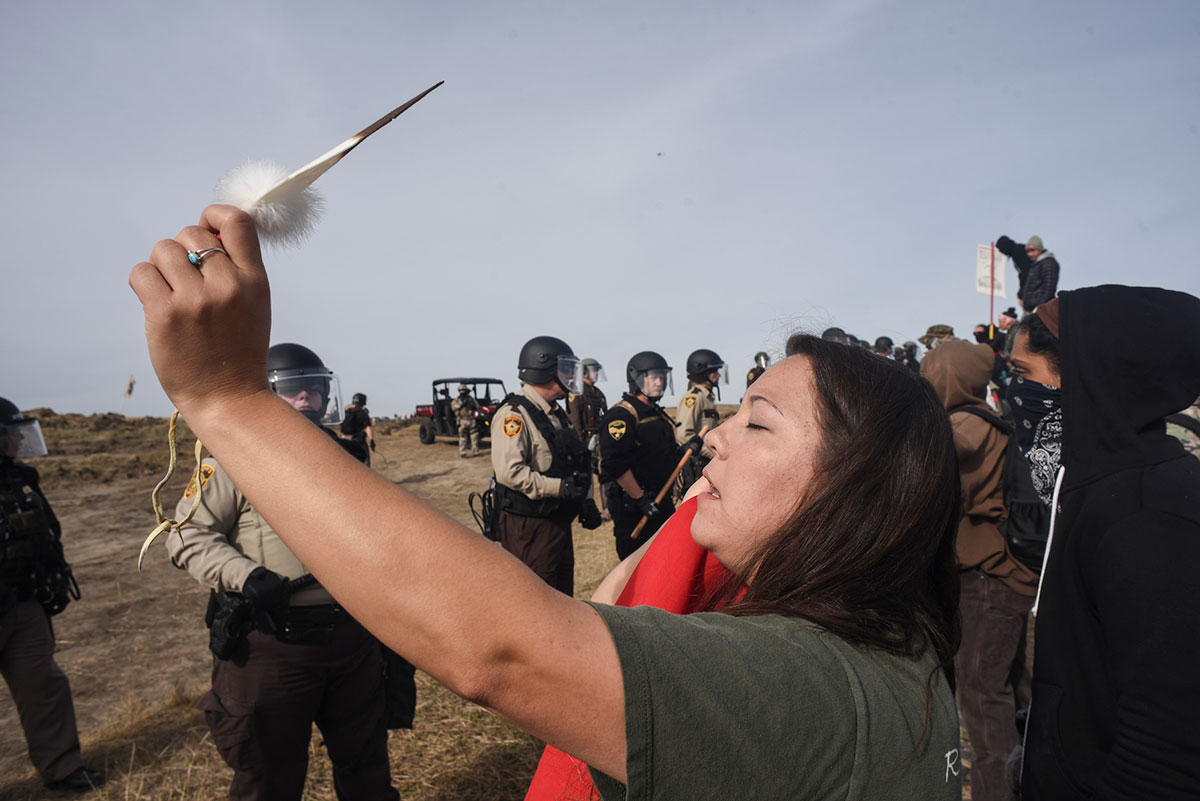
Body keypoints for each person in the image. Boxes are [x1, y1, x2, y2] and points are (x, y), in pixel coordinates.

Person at [130, 205, 963, 800]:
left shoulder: (808, 685)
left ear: (850, 486)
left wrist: (225, 397)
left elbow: (504, 646)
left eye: (760, 424)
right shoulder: (873, 654)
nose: (712, 438)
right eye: (733, 412)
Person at [164, 343, 401, 801]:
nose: (307, 400)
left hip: (352, 639)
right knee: (269, 777)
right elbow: (186, 536)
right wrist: (245, 576)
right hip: (273, 645)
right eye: (296, 391)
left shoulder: (348, 458)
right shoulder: (232, 462)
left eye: (314, 391)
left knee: (367, 766)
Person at [1007, 288, 1200, 799]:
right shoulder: (1097, 489)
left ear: (1090, 378)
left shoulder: (1148, 515)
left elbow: (1167, 752)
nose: (1014, 393)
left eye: (1023, 374)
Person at [921, 342, 1038, 801]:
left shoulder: (961, 426)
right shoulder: (994, 421)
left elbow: (946, 454)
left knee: (982, 700)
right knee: (1011, 690)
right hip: (1004, 579)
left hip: (985, 580)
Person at [0, 399, 105, 793]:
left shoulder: (22, 478)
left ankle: (63, 768)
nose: (16, 441)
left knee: (44, 687)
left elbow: (47, 535)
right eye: (9, 433)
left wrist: (51, 579)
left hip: (25, 605)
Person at [490, 337, 601, 596]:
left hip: (556, 522)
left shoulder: (554, 413)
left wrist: (584, 500)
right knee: (536, 599)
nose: (570, 375)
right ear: (544, 369)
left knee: (561, 596)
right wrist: (560, 488)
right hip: (530, 527)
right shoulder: (514, 414)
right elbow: (510, 472)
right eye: (565, 368)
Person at [599, 352, 679, 560]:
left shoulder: (656, 413)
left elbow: (660, 454)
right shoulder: (621, 416)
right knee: (636, 567)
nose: (659, 382)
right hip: (634, 508)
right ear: (637, 379)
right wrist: (641, 499)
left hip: (660, 501)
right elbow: (614, 463)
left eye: (662, 377)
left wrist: (688, 448)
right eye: (653, 377)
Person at [566, 358, 609, 518]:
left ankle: (607, 509)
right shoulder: (576, 393)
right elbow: (575, 420)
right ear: (584, 372)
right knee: (587, 476)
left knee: (604, 474)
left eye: (598, 370)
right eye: (594, 370)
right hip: (584, 440)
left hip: (600, 439)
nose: (596, 373)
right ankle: (588, 508)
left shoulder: (598, 393)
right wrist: (579, 444)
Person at [675, 348, 725, 464]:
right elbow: (684, 436)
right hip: (698, 463)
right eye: (714, 371)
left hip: (708, 461)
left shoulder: (707, 398)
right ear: (703, 373)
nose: (718, 375)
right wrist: (713, 453)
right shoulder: (694, 398)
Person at [996, 235, 1060, 313]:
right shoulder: (1020, 254)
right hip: (1031, 300)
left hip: (1037, 303)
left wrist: (1023, 296)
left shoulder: (1018, 253)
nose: (1030, 254)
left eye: (1033, 251)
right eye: (1028, 252)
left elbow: (1026, 275)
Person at [340, 392, 375, 463]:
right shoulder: (363, 413)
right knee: (364, 463)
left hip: (344, 440)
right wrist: (371, 440)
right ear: (363, 402)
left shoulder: (346, 412)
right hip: (359, 441)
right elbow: (367, 428)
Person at [450, 383, 481, 458]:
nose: (462, 391)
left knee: (474, 437)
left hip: (471, 419)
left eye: (463, 390)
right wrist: (462, 404)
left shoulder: (470, 398)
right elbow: (453, 407)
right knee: (463, 437)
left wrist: (472, 404)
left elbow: (477, 406)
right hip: (462, 420)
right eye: (461, 390)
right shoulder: (456, 400)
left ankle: (475, 452)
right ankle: (462, 452)